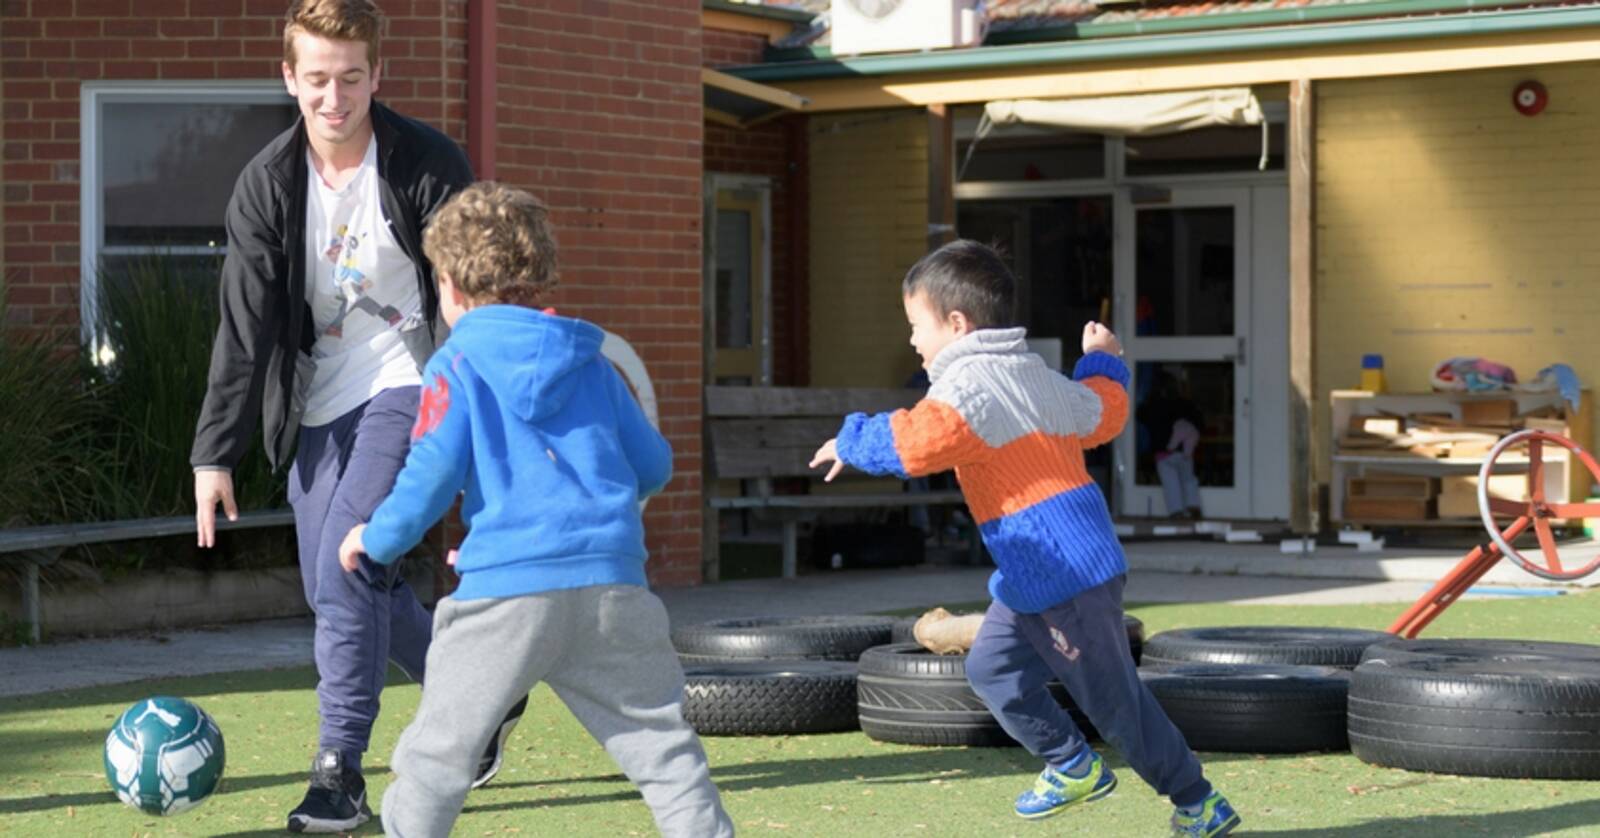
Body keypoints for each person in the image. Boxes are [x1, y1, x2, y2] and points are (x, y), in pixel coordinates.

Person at [189, 2, 518, 832]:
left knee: (348, 565)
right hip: (319, 395)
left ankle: (340, 774)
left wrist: (487, 418)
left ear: (377, 74)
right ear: (290, 78)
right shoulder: (267, 183)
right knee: (338, 582)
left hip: (414, 379)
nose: (333, 98)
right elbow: (245, 324)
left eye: (350, 78)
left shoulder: (425, 162)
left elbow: (478, 295)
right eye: (317, 80)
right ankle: (477, 697)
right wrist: (213, 454)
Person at [337, 182, 734, 838]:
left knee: (437, 756)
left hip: (503, 601)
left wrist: (374, 540)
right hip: (613, 590)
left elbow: (429, 478)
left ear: (450, 285)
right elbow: (655, 465)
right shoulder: (595, 362)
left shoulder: (454, 365)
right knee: (664, 752)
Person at [809, 240, 1240, 837]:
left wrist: (850, 440)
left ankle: (1197, 800)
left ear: (956, 324)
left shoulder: (968, 388)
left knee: (1116, 705)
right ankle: (1071, 765)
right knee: (992, 669)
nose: (911, 341)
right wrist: (1103, 361)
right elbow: (1104, 414)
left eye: (916, 326)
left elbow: (914, 444)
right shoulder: (1032, 374)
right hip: (1035, 573)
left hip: (1066, 574)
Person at [1138, 370, 1205, 519]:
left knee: (1170, 483)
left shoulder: (1153, 406)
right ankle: (1194, 507)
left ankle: (1176, 511)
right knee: (1189, 479)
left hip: (1163, 453)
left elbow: (1140, 414)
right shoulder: (1184, 404)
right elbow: (1199, 421)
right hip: (1184, 450)